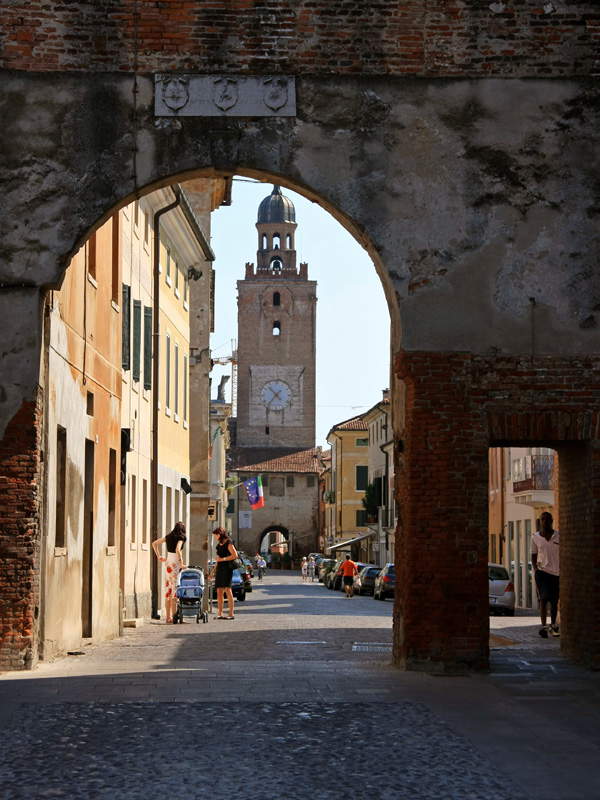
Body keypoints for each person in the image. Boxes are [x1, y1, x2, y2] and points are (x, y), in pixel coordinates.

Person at [532, 511, 560, 638]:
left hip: (556, 573)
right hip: (542, 573)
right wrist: (536, 570)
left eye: (547, 519)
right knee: (543, 599)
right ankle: (543, 627)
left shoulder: (558, 536)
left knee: (554, 601)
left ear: (551, 521)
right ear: (540, 521)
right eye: (543, 519)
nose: (545, 521)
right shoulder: (535, 537)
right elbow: (533, 554)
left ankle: (553, 626)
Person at [152, 521, 186, 624]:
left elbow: (154, 543)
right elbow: (177, 549)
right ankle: (175, 617)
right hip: (175, 563)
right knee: (175, 590)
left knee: (168, 591)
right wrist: (181, 563)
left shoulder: (168, 536)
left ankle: (168, 617)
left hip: (168, 563)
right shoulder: (182, 538)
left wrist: (159, 556)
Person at [213, 527, 238, 620]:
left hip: (227, 568)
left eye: (215, 535)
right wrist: (213, 571)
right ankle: (220, 613)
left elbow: (235, 555)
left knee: (228, 589)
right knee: (219, 591)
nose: (215, 537)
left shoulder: (228, 542)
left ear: (219, 534)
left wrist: (222, 559)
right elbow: (218, 558)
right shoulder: (219, 544)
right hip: (220, 568)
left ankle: (231, 613)